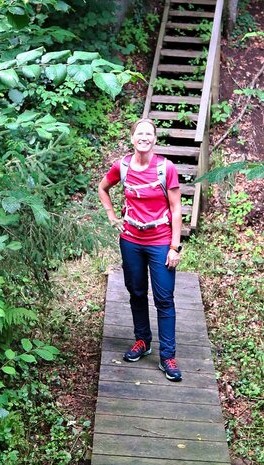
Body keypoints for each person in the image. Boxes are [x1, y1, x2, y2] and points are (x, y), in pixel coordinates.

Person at [97, 118, 183, 382]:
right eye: (140, 133)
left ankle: (167, 356)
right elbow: (103, 187)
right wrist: (112, 215)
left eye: (149, 134)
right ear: (132, 138)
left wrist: (175, 246)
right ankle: (142, 341)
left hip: (160, 241)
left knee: (164, 298)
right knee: (136, 292)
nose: (144, 137)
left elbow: (177, 208)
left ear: (154, 139)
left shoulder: (165, 168)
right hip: (131, 240)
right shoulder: (121, 167)